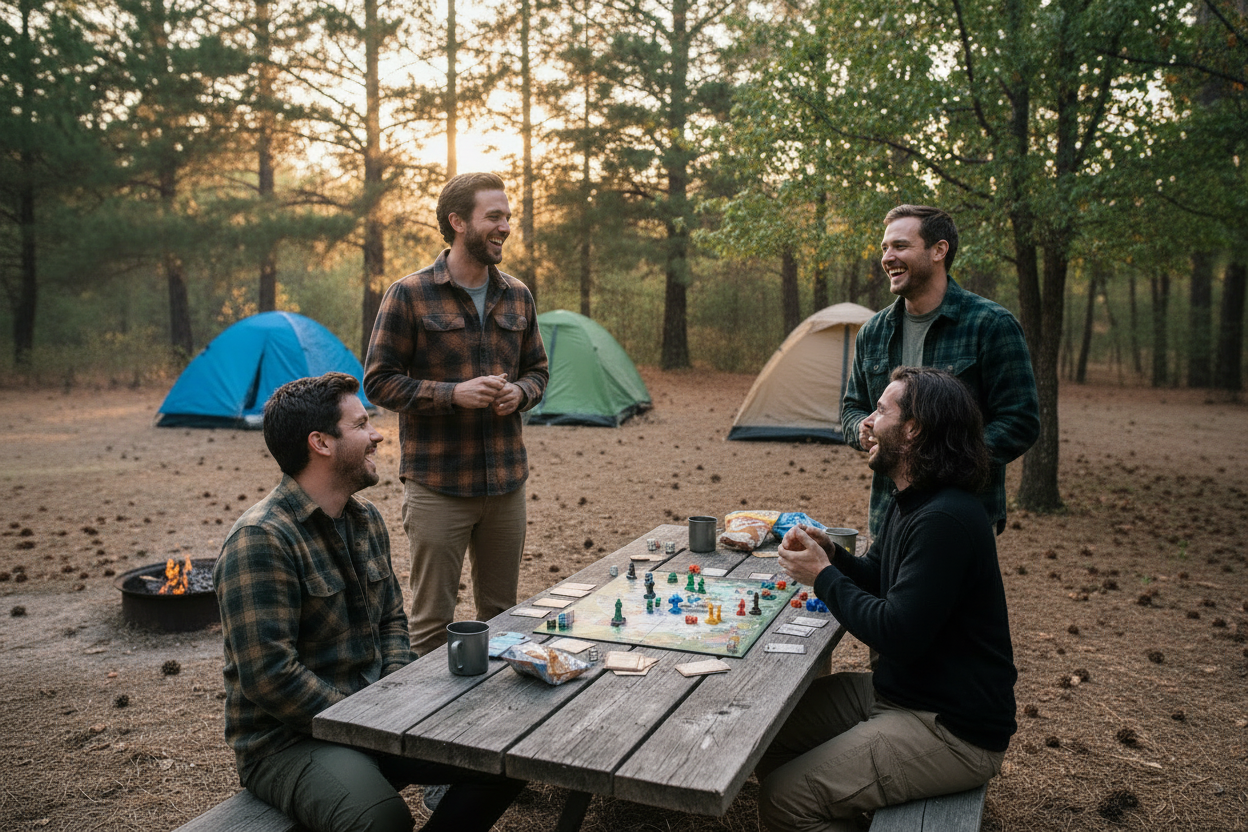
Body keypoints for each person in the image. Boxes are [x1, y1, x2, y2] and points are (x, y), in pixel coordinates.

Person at [213, 372, 524, 832]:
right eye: (361, 425)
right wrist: (365, 721)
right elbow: (270, 677)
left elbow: (393, 622)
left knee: (508, 755)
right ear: (321, 442)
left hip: (374, 716)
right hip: (288, 741)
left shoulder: (365, 519)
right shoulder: (261, 540)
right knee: (382, 820)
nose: (378, 434)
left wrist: (395, 696)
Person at [759, 367, 1017, 832]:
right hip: (901, 694)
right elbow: (880, 579)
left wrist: (821, 576)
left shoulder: (945, 519)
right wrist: (834, 554)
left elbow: (898, 633)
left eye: (880, 411)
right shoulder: (915, 500)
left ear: (914, 430)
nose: (866, 422)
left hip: (949, 727)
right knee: (764, 737)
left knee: (784, 800)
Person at [363, 172, 548, 657]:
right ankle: (423, 724)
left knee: (502, 616)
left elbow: (538, 371)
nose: (505, 226)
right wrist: (452, 394)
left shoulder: (519, 295)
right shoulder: (409, 294)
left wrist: (522, 394)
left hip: (507, 484)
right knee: (430, 624)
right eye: (494, 216)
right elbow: (378, 381)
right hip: (437, 486)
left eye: (507, 217)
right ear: (457, 221)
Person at [841, 204, 1039, 538]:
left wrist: (943, 459)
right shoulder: (873, 332)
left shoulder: (990, 325)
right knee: (885, 592)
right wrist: (860, 428)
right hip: (887, 514)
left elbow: (1021, 421)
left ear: (939, 250)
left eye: (900, 246)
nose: (888, 257)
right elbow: (851, 407)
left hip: (961, 516)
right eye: (885, 248)